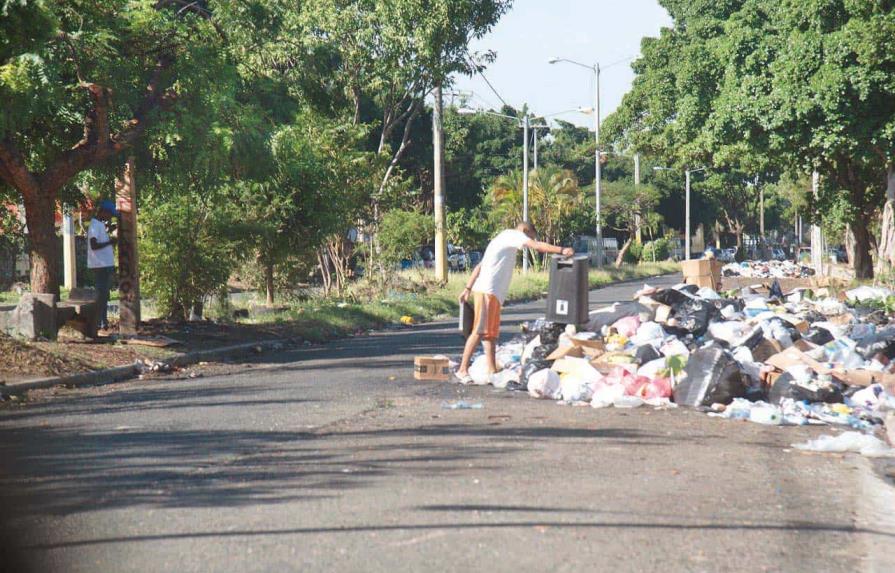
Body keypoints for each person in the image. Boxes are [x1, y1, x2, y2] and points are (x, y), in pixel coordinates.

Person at [455, 222, 573, 383]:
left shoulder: (502, 240)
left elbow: (479, 266)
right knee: (479, 331)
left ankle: (491, 370)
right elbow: (537, 246)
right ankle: (462, 369)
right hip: (487, 290)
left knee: (490, 334)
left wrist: (468, 288)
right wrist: (562, 250)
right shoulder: (513, 235)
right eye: (530, 236)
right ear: (525, 230)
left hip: (492, 292)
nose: (528, 241)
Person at [87, 199, 119, 332]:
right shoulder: (94, 225)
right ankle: (100, 322)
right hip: (100, 266)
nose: (110, 217)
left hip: (104, 265)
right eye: (109, 214)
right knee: (101, 295)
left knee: (105, 295)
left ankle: (103, 322)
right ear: (103, 212)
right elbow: (94, 245)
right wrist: (110, 242)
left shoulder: (100, 225)